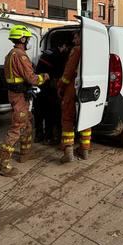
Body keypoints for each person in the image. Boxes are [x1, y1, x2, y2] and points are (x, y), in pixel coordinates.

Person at [0, 25, 49, 177]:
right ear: (23, 39)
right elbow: (32, 78)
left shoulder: (10, 54)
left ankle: (25, 153)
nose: (29, 42)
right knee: (16, 128)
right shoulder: (21, 56)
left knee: (28, 123)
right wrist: (45, 76)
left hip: (17, 95)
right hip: (19, 97)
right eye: (28, 39)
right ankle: (0, 164)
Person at [58, 31, 91, 163]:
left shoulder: (77, 50)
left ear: (81, 37)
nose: (73, 39)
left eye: (76, 36)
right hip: (88, 87)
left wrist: (60, 85)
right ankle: (85, 150)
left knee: (67, 119)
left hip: (73, 87)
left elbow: (68, 72)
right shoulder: (93, 49)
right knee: (86, 119)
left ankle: (68, 152)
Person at [33, 40, 70, 145]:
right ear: (63, 45)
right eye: (66, 47)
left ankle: (38, 135)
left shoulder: (47, 52)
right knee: (50, 112)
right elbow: (60, 75)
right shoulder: (59, 56)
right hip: (48, 87)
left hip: (38, 85)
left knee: (38, 112)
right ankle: (48, 137)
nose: (67, 50)